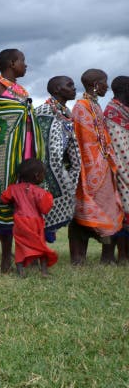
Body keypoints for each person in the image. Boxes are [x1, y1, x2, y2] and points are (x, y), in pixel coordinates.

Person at [0, 48, 43, 274]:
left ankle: (6, 260)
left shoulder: (19, 90)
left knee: (16, 209)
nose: (26, 65)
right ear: (12, 63)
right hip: (0, 159)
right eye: (23, 61)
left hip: (21, 155)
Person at [69, 69, 123, 265]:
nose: (106, 86)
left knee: (110, 209)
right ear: (95, 85)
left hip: (104, 167)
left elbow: (102, 138)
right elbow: (83, 141)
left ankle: (107, 257)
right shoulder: (81, 107)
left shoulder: (95, 106)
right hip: (91, 170)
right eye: (104, 82)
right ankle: (78, 257)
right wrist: (96, 165)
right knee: (83, 214)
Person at [35, 76, 81, 242]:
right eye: (69, 85)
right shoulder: (45, 112)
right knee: (40, 212)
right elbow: (46, 151)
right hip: (44, 173)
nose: (74, 88)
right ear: (56, 90)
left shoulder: (65, 113)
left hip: (60, 168)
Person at [0, 158, 58, 277]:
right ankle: (44, 272)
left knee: (20, 247)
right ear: (37, 176)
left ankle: (21, 272)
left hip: (19, 222)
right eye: (43, 174)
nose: (44, 176)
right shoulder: (39, 192)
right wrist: (50, 197)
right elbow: (45, 209)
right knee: (41, 246)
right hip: (35, 223)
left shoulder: (14, 189)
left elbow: (4, 199)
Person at [103, 75, 129, 265]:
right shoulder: (113, 113)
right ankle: (122, 255)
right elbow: (119, 151)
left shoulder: (124, 111)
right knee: (123, 211)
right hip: (120, 172)